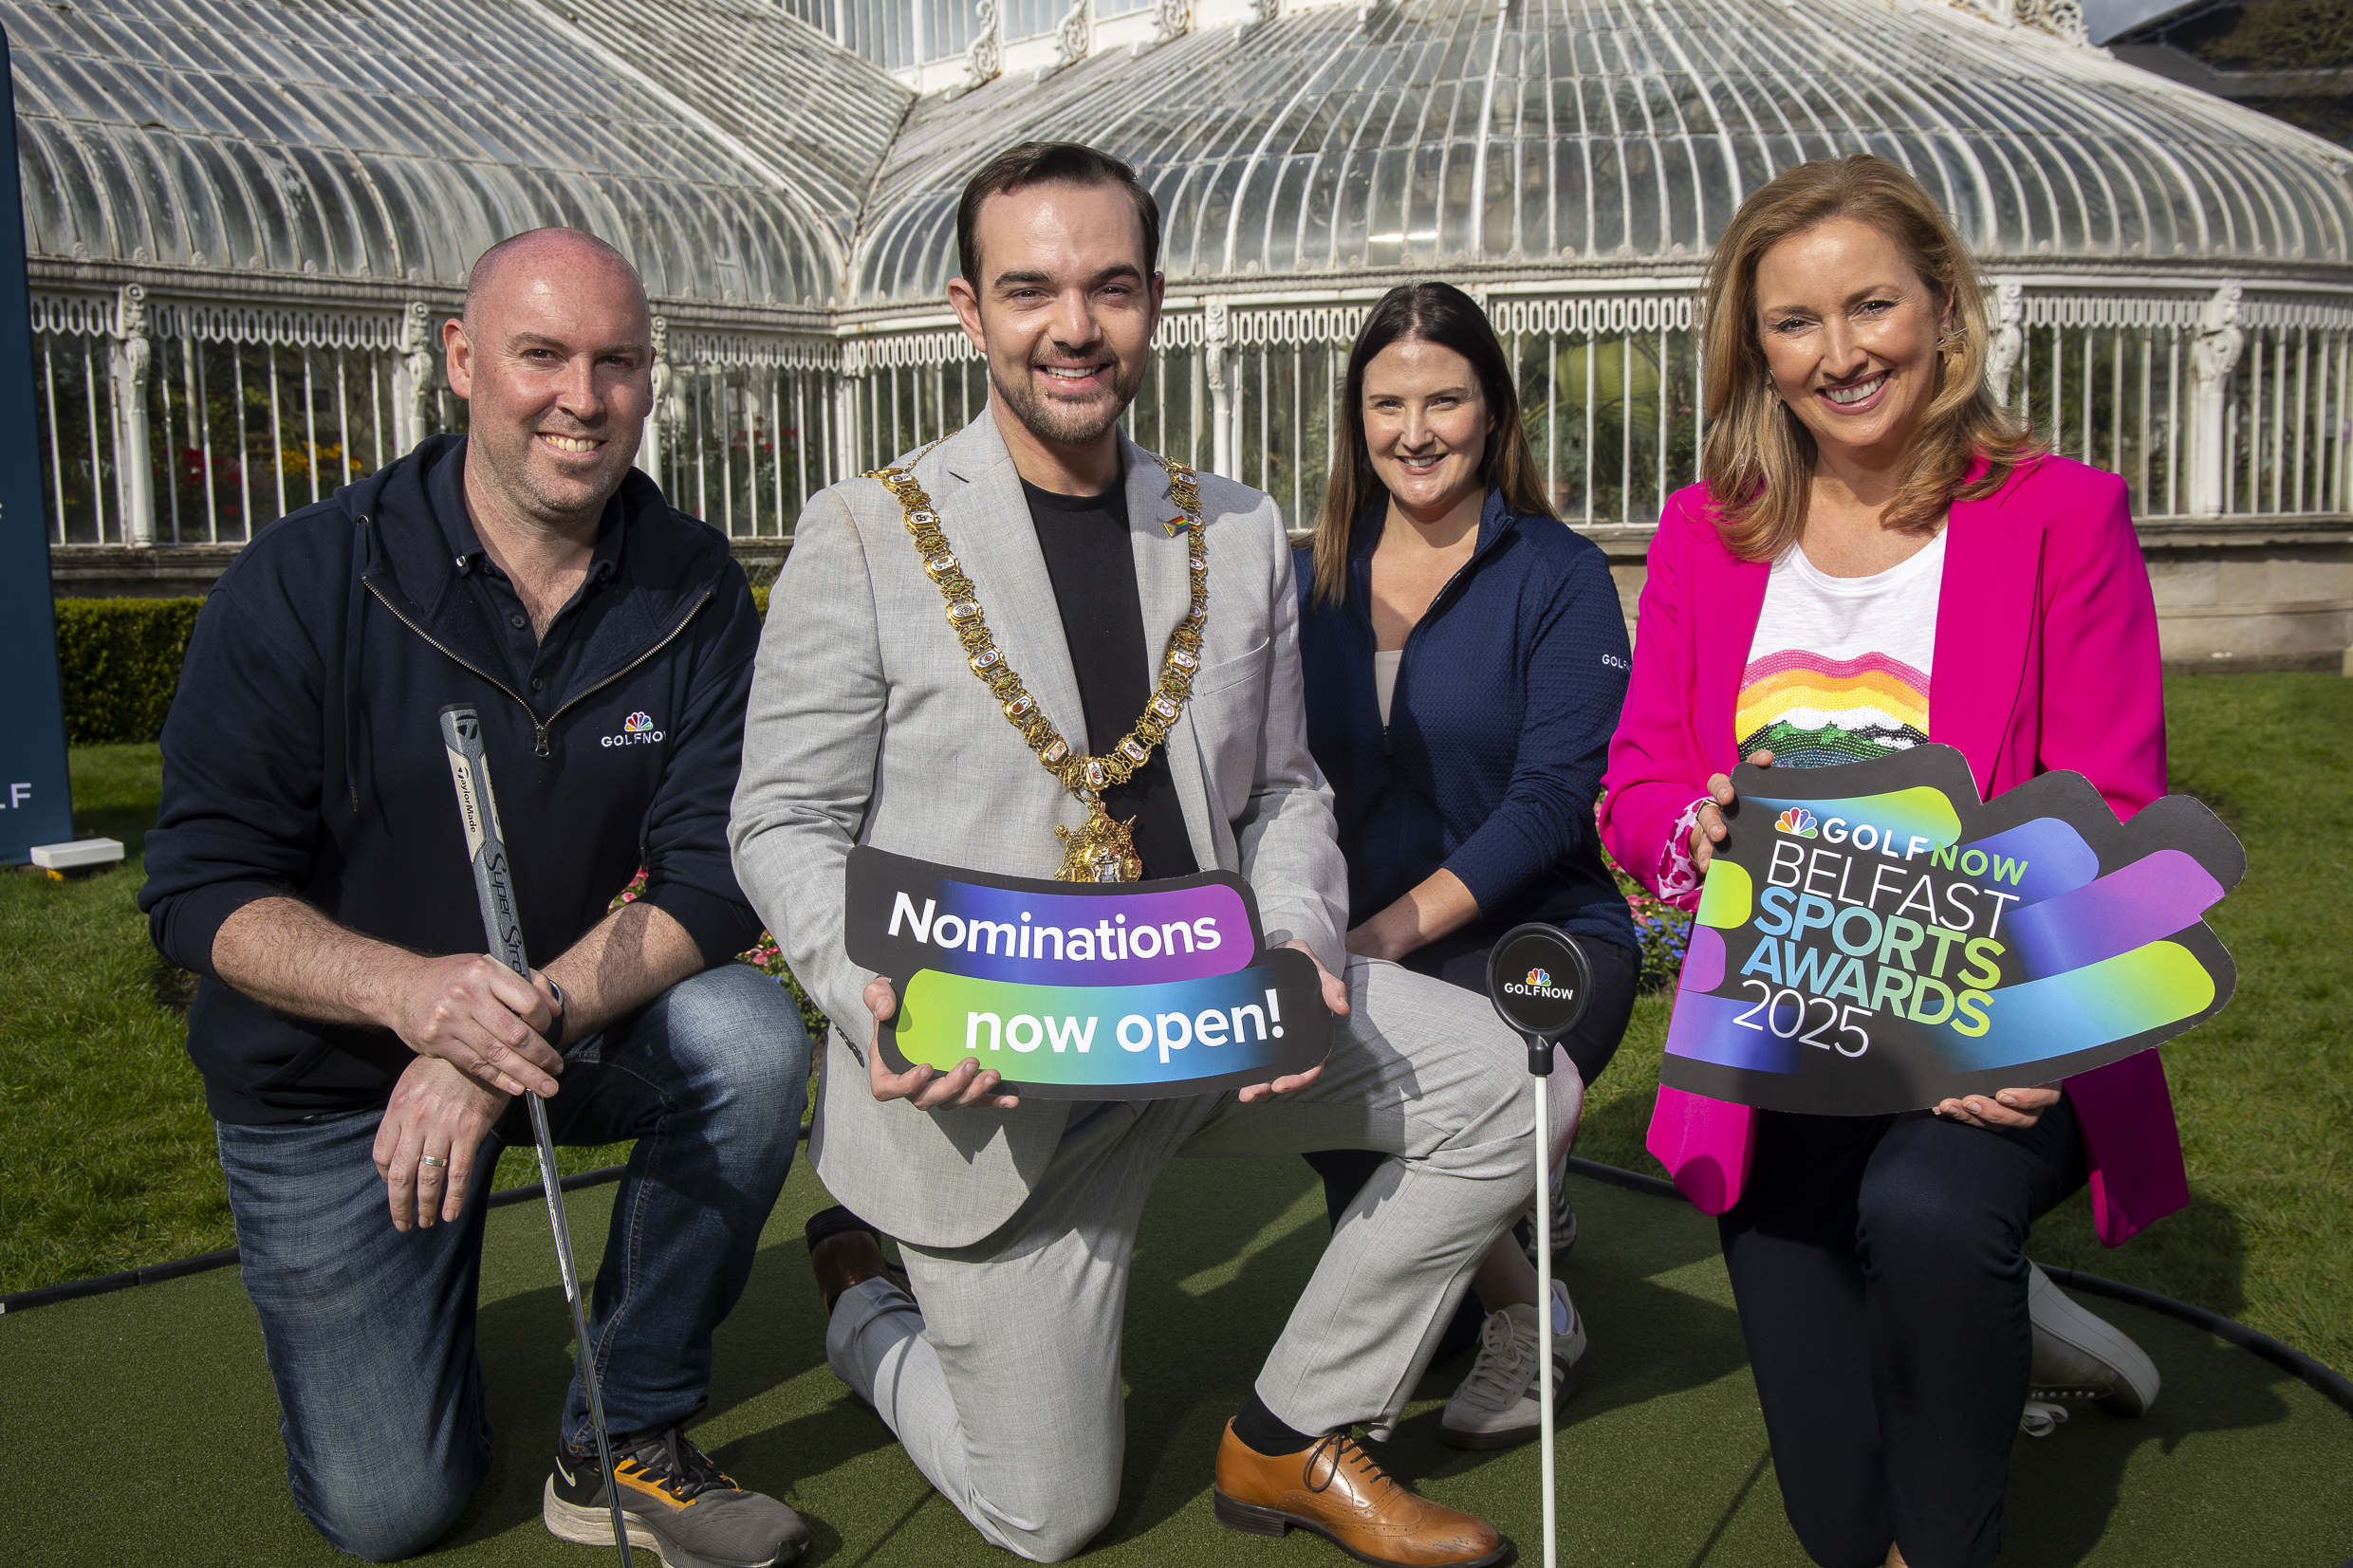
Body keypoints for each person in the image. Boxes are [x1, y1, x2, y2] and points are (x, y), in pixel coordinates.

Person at [731, 141, 1535, 1568]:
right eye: (1031, 289)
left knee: (1511, 1088)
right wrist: (877, 995)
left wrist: (1295, 934)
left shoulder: (1233, 523)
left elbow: (1285, 787)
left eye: (1108, 286)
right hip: (999, 1072)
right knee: (1049, 1516)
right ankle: (866, 1303)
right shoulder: (859, 531)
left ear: (1153, 302)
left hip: (1208, 1011)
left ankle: (1291, 1435)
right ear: (969, 313)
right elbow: (779, 822)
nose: (1073, 326)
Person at [139, 229, 814, 1568]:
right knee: (393, 1510)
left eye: (617, 362)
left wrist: (511, 1032)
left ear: (650, 379)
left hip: (550, 1021)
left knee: (749, 1037)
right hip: (327, 1076)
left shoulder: (691, 590)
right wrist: (412, 996)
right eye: (542, 355)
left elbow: (712, 876)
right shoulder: (308, 579)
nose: (583, 395)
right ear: (462, 362)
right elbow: (201, 892)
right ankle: (412, 1302)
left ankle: (618, 1430)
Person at [1600, 156, 2173, 1568]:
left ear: (1943, 307)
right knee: (1842, 1525)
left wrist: (1978, 1023)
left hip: (2000, 1026)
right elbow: (1639, 788)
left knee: (1923, 1211)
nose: (1841, 353)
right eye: (1795, 323)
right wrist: (1697, 830)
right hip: (1781, 1041)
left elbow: (2109, 811)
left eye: (1872, 307)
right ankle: (1996, 1326)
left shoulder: (2061, 518)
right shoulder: (1701, 531)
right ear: (1755, 349)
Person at [1291, 280, 1640, 1449]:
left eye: (1445, 398)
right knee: (1391, 1214)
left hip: (1537, 939)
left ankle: (1532, 1314)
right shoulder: (1303, 582)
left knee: (1445, 1120)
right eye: (1387, 403)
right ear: (1356, 418)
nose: (1415, 430)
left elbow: (1548, 806)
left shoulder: (1558, 575)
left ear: (1491, 410)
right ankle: (1516, 1249)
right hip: (1364, 941)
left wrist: (1373, 938)